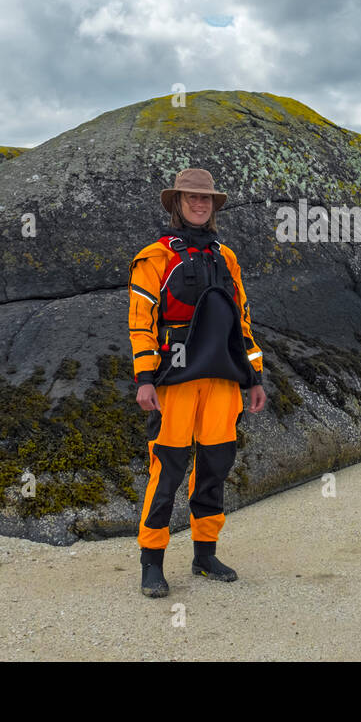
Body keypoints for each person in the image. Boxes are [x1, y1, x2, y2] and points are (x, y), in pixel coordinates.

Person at [127, 168, 267, 598]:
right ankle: (152, 562)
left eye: (206, 199)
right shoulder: (155, 256)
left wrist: (255, 376)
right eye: (191, 197)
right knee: (166, 471)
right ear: (177, 203)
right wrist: (145, 378)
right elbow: (141, 322)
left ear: (213, 207)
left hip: (223, 379)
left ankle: (204, 555)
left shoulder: (226, 258)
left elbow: (241, 320)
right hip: (175, 378)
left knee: (214, 469)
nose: (200, 204)